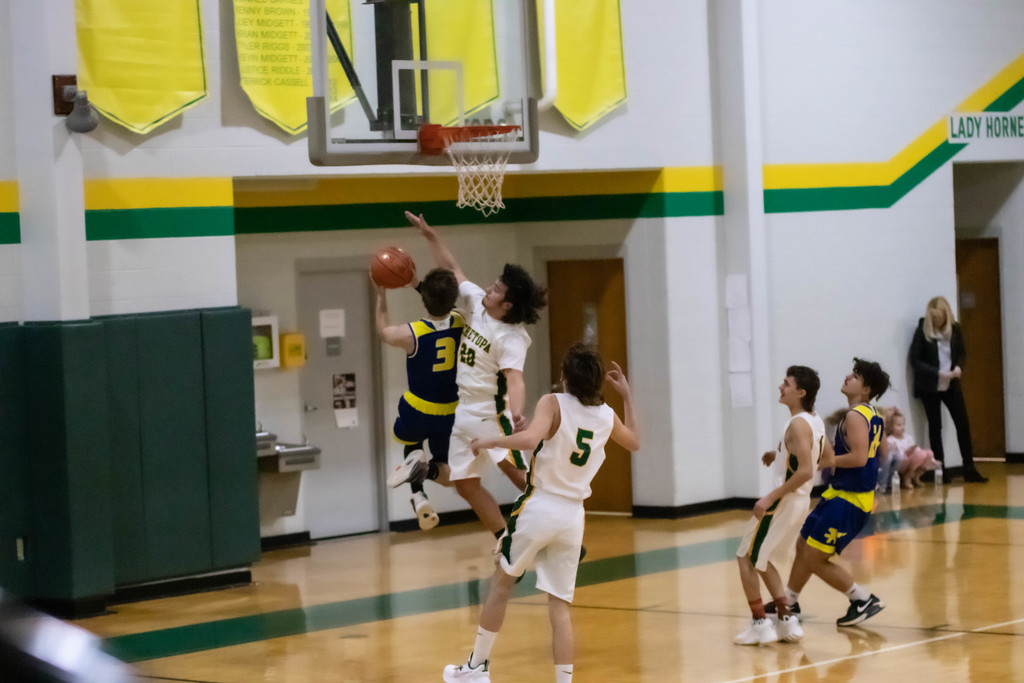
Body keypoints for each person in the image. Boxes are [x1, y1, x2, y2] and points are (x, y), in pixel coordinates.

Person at [442, 344, 639, 683]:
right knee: (559, 607)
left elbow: (532, 439)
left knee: (502, 582)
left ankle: (476, 668)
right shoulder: (607, 415)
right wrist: (628, 396)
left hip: (540, 505)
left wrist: (489, 441)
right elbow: (634, 442)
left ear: (564, 377)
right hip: (573, 517)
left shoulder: (553, 402)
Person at [407, 211, 547, 538]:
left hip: (493, 414)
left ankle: (557, 529)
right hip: (465, 412)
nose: (488, 288)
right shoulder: (478, 304)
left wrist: (516, 412)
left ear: (508, 305)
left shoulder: (511, 338)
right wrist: (430, 235)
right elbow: (453, 270)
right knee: (465, 485)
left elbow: (516, 379)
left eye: (496, 289)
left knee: (524, 480)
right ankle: (504, 541)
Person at [781, 358, 891, 633]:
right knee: (803, 545)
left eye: (855, 376)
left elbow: (858, 457)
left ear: (866, 390)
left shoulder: (855, 416)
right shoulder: (871, 414)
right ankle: (790, 603)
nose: (847, 377)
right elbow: (883, 453)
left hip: (850, 499)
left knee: (814, 558)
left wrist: (824, 461)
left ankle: (862, 599)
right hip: (841, 493)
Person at [734, 366, 828, 646]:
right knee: (764, 559)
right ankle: (786, 621)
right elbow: (819, 454)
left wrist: (770, 497)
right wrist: (780, 454)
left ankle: (760, 623)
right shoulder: (814, 420)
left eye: (786, 383)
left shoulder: (797, 424)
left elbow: (807, 470)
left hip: (785, 500)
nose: (780, 387)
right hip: (800, 501)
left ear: (801, 392)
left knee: (746, 557)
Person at [374, 268, 463, 529]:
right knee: (447, 471)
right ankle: (427, 473)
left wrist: (381, 294)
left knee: (411, 443)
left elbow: (383, 330)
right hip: (450, 410)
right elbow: (445, 302)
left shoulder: (411, 333)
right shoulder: (461, 322)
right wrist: (418, 284)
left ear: (424, 299)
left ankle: (417, 493)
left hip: (419, 407)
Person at [909, 296, 987, 483]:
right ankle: (940, 470)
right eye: (934, 318)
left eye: (941, 318)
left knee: (962, 423)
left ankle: (969, 467)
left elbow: (961, 353)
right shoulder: (922, 332)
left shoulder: (955, 329)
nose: (938, 322)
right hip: (930, 387)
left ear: (947, 315)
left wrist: (959, 367)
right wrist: (936, 373)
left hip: (951, 386)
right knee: (935, 427)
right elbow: (915, 359)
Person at [880, 406, 936, 490]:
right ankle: (907, 478)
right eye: (899, 425)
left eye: (903, 424)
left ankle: (915, 476)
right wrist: (906, 452)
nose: (902, 427)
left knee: (928, 453)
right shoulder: (890, 440)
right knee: (910, 457)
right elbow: (893, 456)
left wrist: (915, 450)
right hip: (902, 463)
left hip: (910, 461)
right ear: (891, 427)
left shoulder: (908, 438)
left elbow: (916, 450)